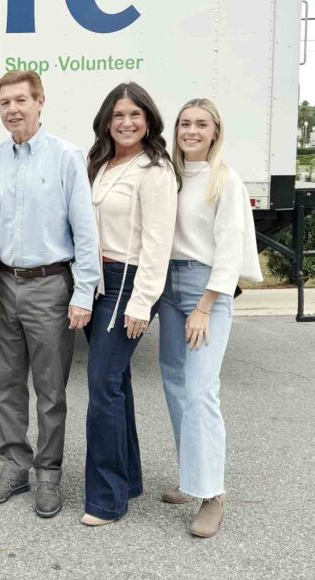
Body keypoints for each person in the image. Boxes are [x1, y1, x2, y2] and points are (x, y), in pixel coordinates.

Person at [0, 71, 101, 518]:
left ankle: (49, 473)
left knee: (51, 389)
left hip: (51, 284)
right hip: (3, 282)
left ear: (40, 102)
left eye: (21, 101)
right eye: (5, 102)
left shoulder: (67, 157)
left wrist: (83, 292)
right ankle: (13, 466)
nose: (13, 109)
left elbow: (85, 230)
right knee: (5, 384)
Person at [158, 99, 262, 538]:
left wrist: (204, 306)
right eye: (185, 124)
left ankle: (212, 495)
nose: (191, 131)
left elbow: (230, 252)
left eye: (201, 124)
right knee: (176, 386)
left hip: (206, 291)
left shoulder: (226, 180)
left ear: (216, 131)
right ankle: (191, 477)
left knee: (201, 391)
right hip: (168, 286)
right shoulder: (171, 176)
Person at [82, 82, 178, 526]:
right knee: (115, 382)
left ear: (148, 120)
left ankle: (106, 500)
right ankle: (129, 479)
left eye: (134, 115)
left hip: (129, 284)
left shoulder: (155, 169)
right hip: (97, 282)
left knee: (102, 385)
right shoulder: (100, 163)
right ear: (106, 120)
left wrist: (141, 303)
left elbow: (158, 244)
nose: (126, 123)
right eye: (118, 115)